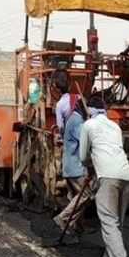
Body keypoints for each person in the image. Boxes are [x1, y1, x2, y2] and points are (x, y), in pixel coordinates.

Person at [79, 95, 129, 257]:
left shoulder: (88, 125)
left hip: (107, 177)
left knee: (108, 222)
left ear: (89, 111)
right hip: (126, 175)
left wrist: (89, 165)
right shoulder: (115, 126)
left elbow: (83, 156)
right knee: (117, 223)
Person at [52, 100, 93, 236]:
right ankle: (62, 218)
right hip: (76, 166)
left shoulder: (71, 120)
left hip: (68, 166)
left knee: (76, 196)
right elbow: (85, 142)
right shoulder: (77, 121)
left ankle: (79, 226)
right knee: (85, 194)